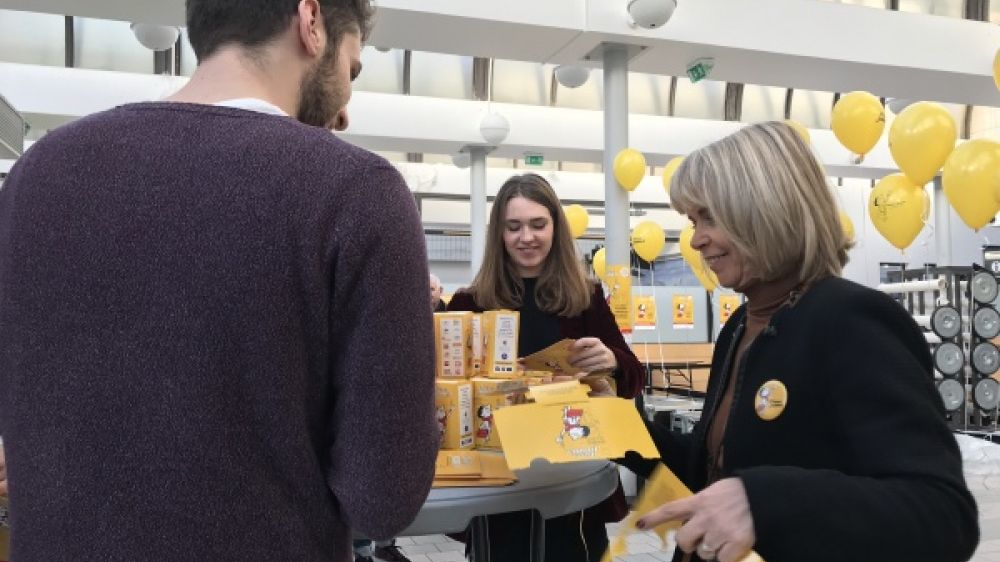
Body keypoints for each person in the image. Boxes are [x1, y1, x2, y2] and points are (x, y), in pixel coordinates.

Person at [0, 1, 438, 562]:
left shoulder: (37, 174)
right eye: (351, 70)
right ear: (311, 21)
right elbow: (383, 499)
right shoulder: (356, 193)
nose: (345, 111)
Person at [623, 121, 978, 562]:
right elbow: (711, 471)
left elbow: (942, 516)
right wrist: (615, 428)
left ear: (763, 208)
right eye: (693, 220)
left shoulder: (850, 321)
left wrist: (764, 501)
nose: (696, 240)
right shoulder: (738, 328)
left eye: (708, 217)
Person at [448, 173, 645, 562]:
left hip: (570, 475)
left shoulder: (585, 297)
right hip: (498, 478)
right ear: (498, 234)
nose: (527, 237)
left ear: (555, 226)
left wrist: (611, 360)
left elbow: (634, 377)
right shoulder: (470, 303)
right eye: (514, 227)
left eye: (538, 224)